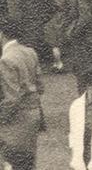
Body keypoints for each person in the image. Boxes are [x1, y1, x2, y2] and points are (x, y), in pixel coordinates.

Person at [0, 18, 42, 170]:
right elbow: (40, 87)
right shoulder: (30, 52)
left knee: (13, 163)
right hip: (33, 115)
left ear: (2, 34)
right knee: (29, 163)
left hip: (17, 120)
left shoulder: (6, 59)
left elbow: (12, 99)